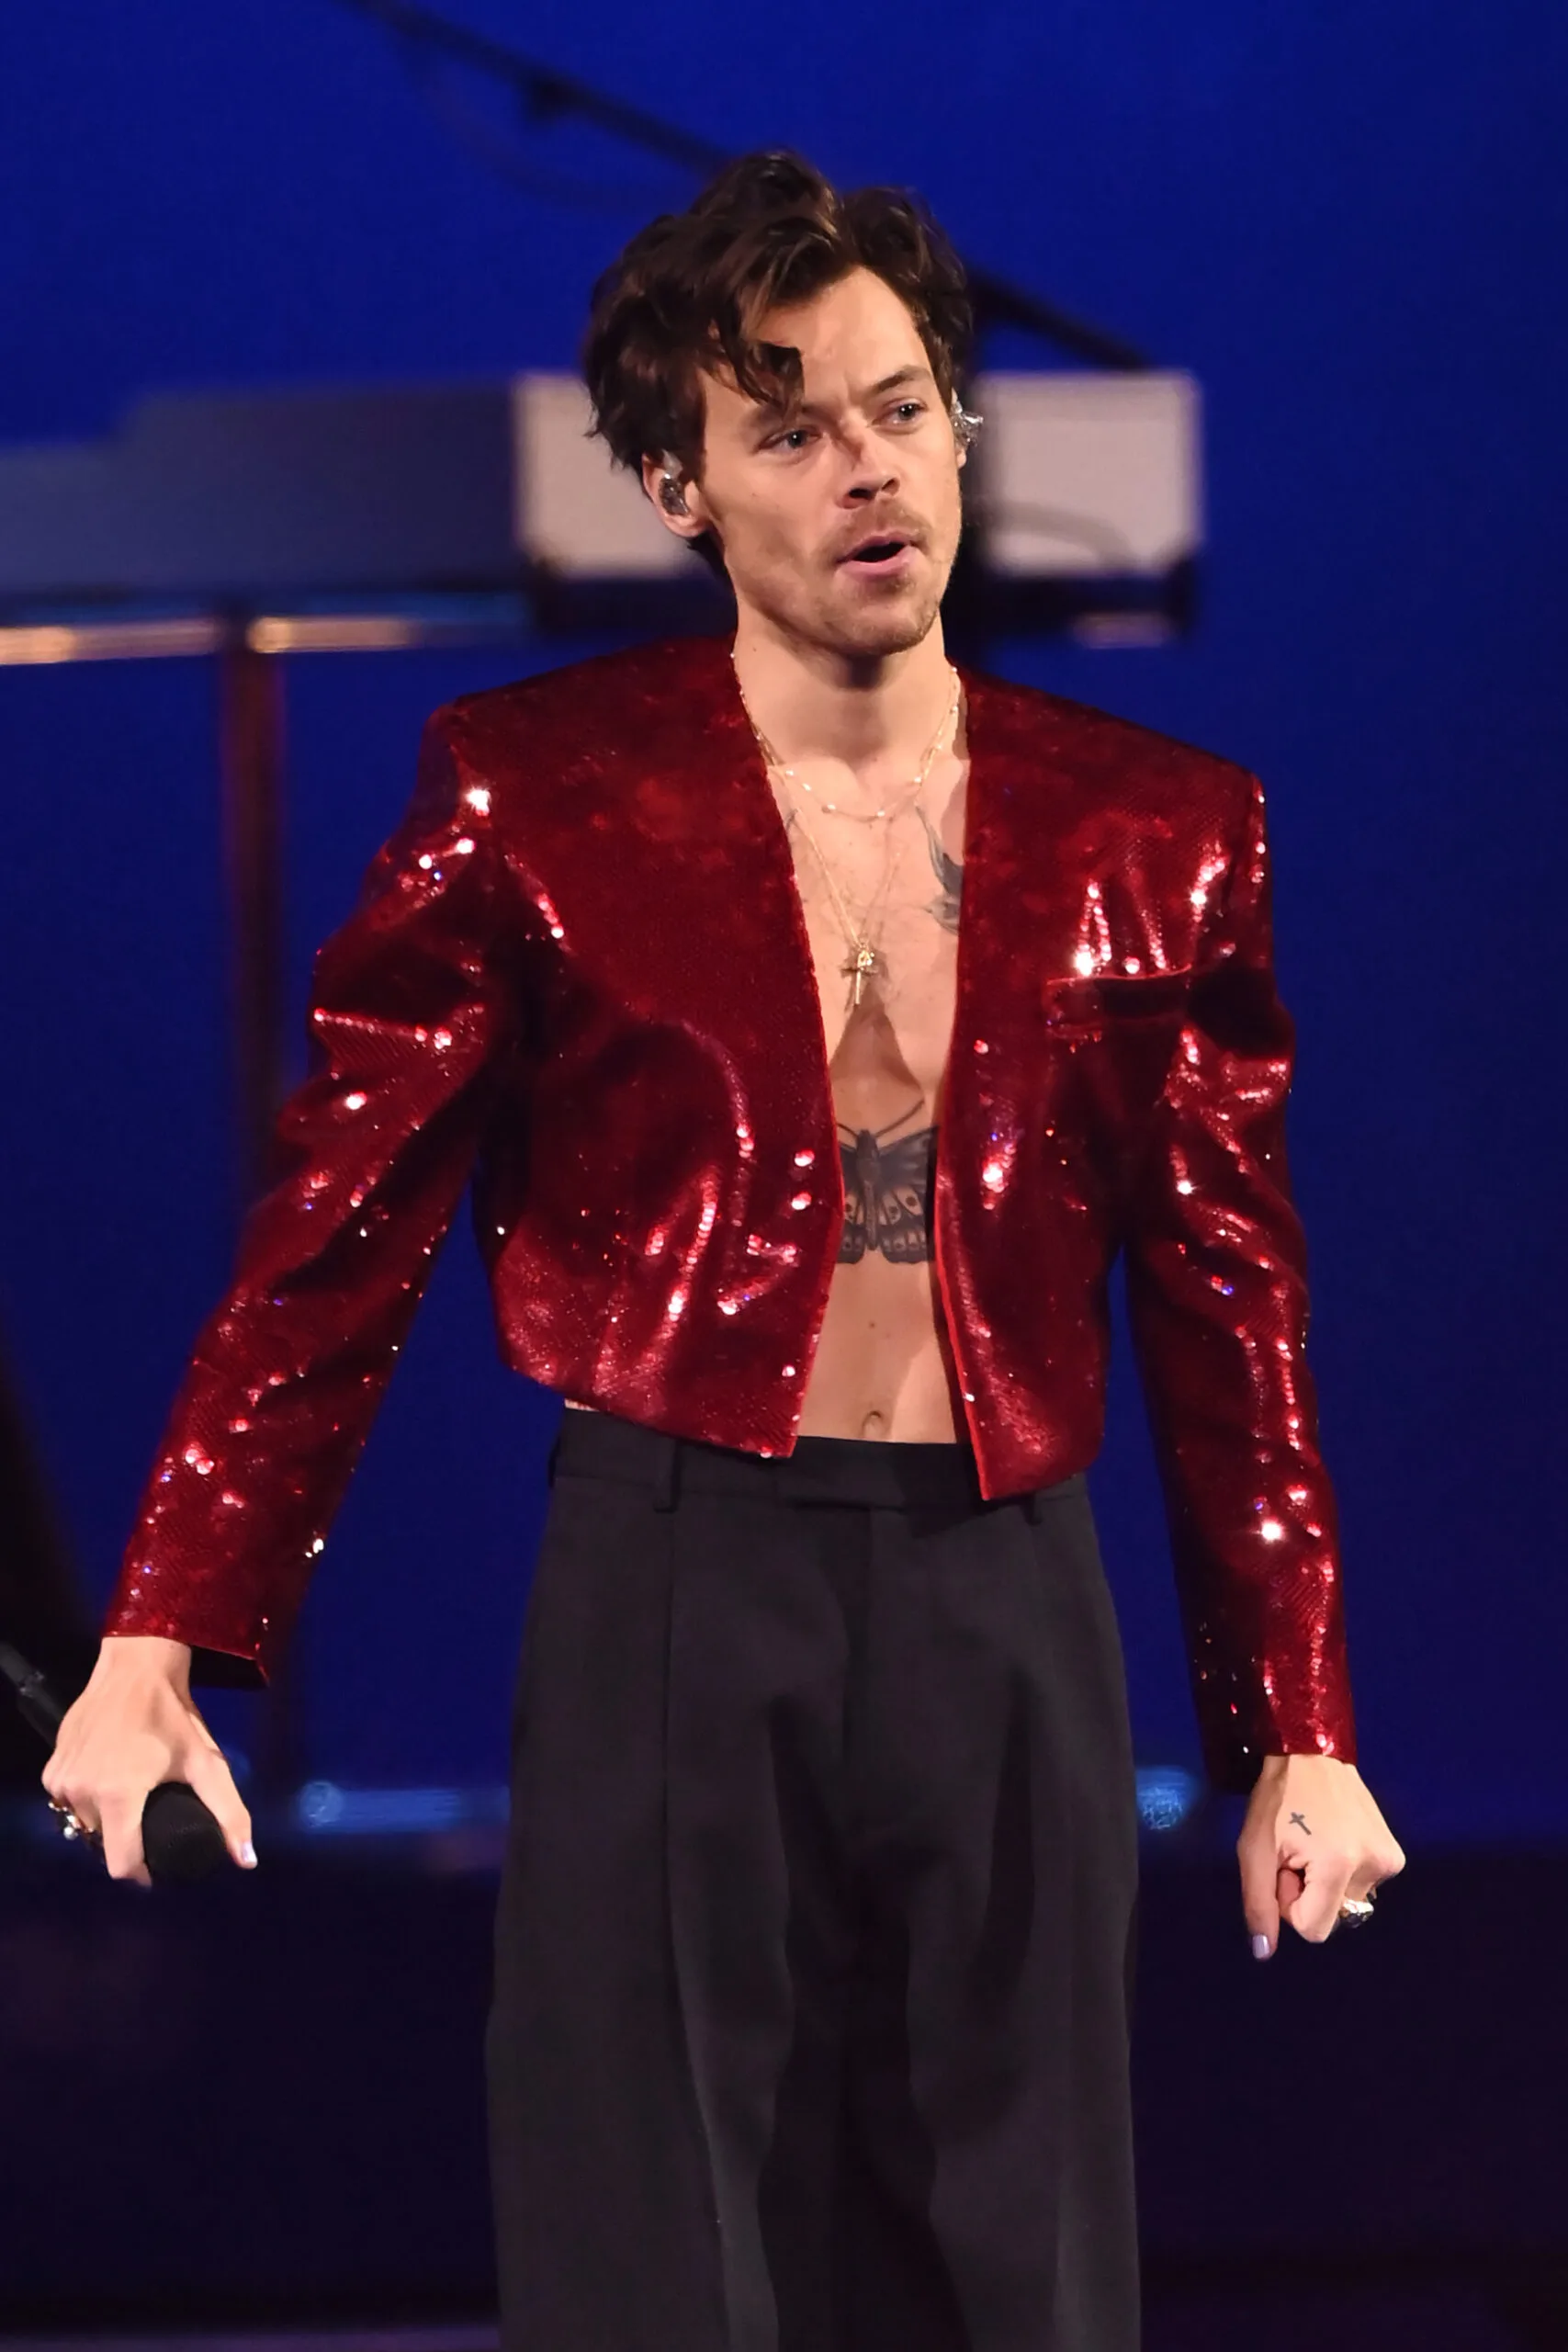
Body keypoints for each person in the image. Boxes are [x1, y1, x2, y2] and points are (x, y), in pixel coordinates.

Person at [46, 152, 1404, 2351]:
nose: (867, 468)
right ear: (680, 486)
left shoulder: (1157, 828)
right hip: (677, 1565)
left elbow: (1230, 1291)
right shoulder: (537, 793)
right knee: (652, 2239)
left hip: (1005, 1577)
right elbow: (338, 1222)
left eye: (900, 407)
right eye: (788, 430)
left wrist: (1298, 1714)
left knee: (1024, 2252)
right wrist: (163, 1622)